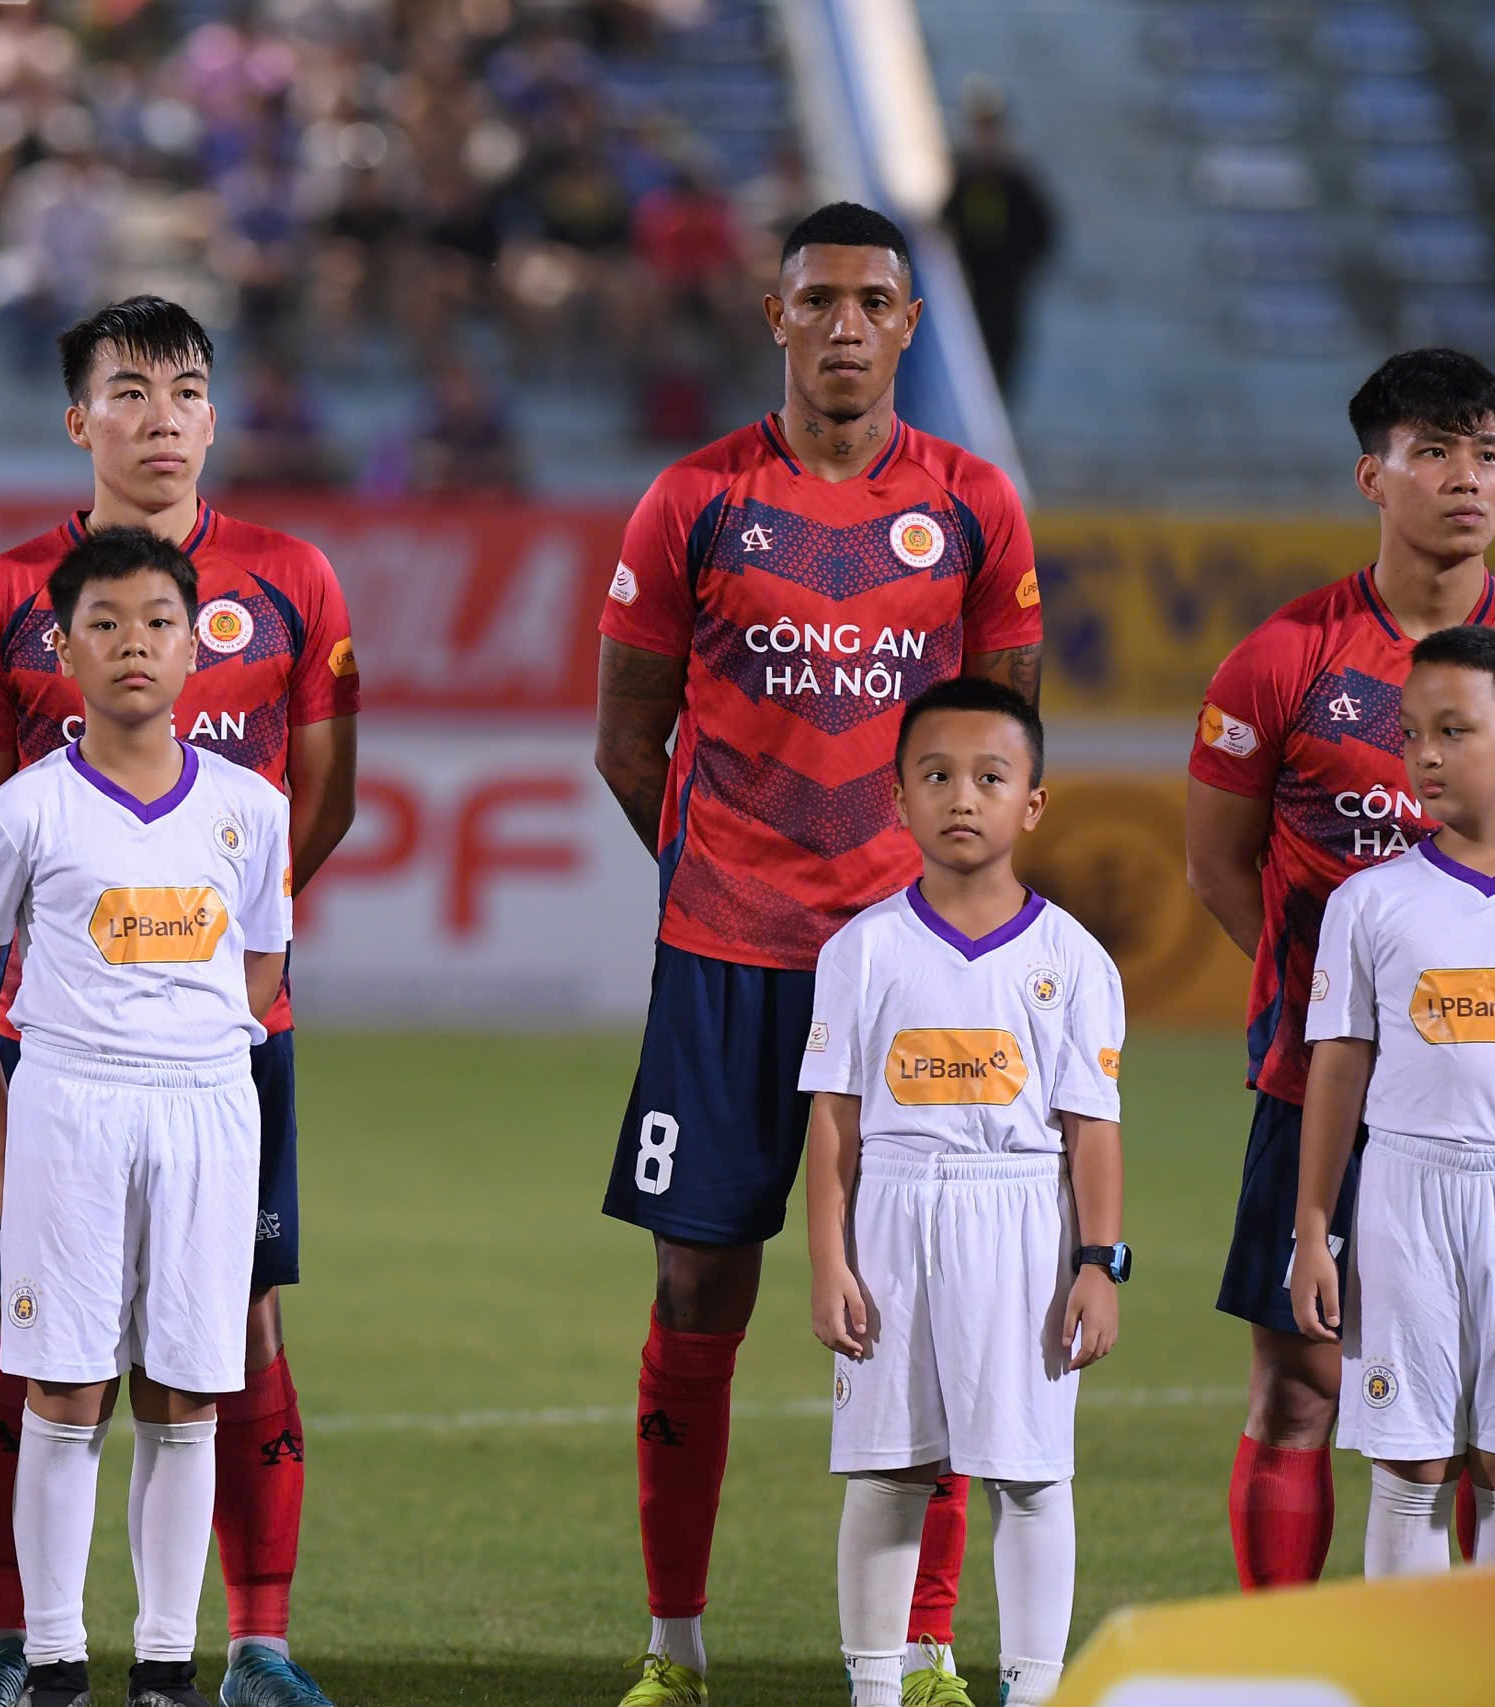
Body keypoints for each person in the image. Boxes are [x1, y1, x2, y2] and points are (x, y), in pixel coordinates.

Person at [592, 200, 1043, 1706]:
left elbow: (994, 743)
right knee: (700, 1288)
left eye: (873, 300)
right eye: (818, 299)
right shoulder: (693, 503)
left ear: (909, 323)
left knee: (930, 1307)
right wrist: (722, 875)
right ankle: (675, 1646)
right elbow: (629, 735)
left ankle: (920, 1647)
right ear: (772, 315)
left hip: (910, 969)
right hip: (728, 955)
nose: (845, 325)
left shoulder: (975, 503)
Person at [0, 295, 359, 1707]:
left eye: (187, 389)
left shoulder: (294, 574)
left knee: (236, 1334)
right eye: (129, 390)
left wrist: (212, 975)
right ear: (80, 419)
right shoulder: (1, 592)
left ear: (216, 415)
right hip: (57, 1052)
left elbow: (316, 806)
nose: (160, 415)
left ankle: (253, 1643)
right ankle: (17, 1643)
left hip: (223, 1047)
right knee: (36, 1337)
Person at [0, 527, 293, 1707]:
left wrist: (189, 1060)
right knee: (67, 1390)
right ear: (64, 651)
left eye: (156, 623)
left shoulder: (252, 809)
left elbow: (258, 972)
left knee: (188, 1391)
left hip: (203, 1112)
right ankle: (52, 1661)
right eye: (104, 625)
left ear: (197, 648)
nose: (132, 644)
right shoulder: (23, 811)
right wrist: (5, 1132)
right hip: (66, 1111)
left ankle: (163, 1666)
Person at [1185, 348, 1495, 1589]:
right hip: (1319, 1089)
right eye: (1432, 451)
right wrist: (1334, 1013)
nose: (1466, 477)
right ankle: (1289, 1663)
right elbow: (1218, 866)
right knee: (1299, 1389)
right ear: (1373, 475)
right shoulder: (1281, 659)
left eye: (1484, 451)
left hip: (1492, 1098)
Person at [803, 678, 1126, 1707]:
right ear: (897, 799)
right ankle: (874, 1689)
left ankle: (1031, 1691)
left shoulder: (1072, 958)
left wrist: (1097, 1265)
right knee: (888, 1470)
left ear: (1031, 800)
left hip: (1023, 1219)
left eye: (990, 777)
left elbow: (1092, 1129)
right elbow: (832, 1124)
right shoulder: (860, 950)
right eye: (934, 775)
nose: (961, 797)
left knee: (1029, 1475)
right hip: (894, 1216)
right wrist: (827, 1262)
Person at [1292, 625, 1495, 1576]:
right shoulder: (1371, 902)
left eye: (1454, 730)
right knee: (1412, 1456)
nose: (1424, 753)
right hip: (1407, 1193)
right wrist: (1313, 1229)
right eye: (1414, 731)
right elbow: (1338, 1069)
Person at [938, 77, 1056, 395]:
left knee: (999, 375)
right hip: (968, 294)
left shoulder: (1018, 182)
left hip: (1004, 296)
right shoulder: (960, 179)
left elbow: (1043, 234)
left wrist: (1017, 271)